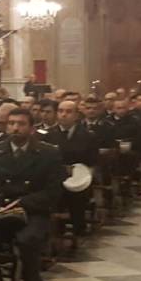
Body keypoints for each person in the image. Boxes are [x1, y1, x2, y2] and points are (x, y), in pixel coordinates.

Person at [0, 107, 65, 281]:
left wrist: (23, 203)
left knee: (27, 241)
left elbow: (53, 191)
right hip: (2, 210)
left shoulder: (48, 153)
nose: (15, 128)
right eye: (11, 123)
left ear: (31, 128)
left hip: (32, 211)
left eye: (21, 124)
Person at [46, 100, 99, 236]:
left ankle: (78, 226)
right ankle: (55, 228)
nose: (64, 115)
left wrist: (84, 177)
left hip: (78, 178)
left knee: (77, 196)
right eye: (60, 111)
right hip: (54, 178)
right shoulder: (48, 135)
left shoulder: (88, 136)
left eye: (69, 112)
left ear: (76, 115)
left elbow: (92, 162)